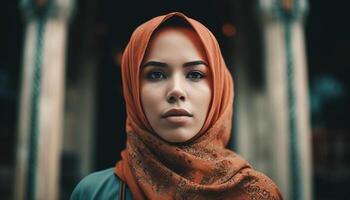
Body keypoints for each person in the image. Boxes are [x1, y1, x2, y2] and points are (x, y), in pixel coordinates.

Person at [70, 12, 283, 200]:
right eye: (155, 74)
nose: (176, 91)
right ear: (133, 90)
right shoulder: (93, 193)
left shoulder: (256, 194)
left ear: (219, 90)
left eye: (195, 74)